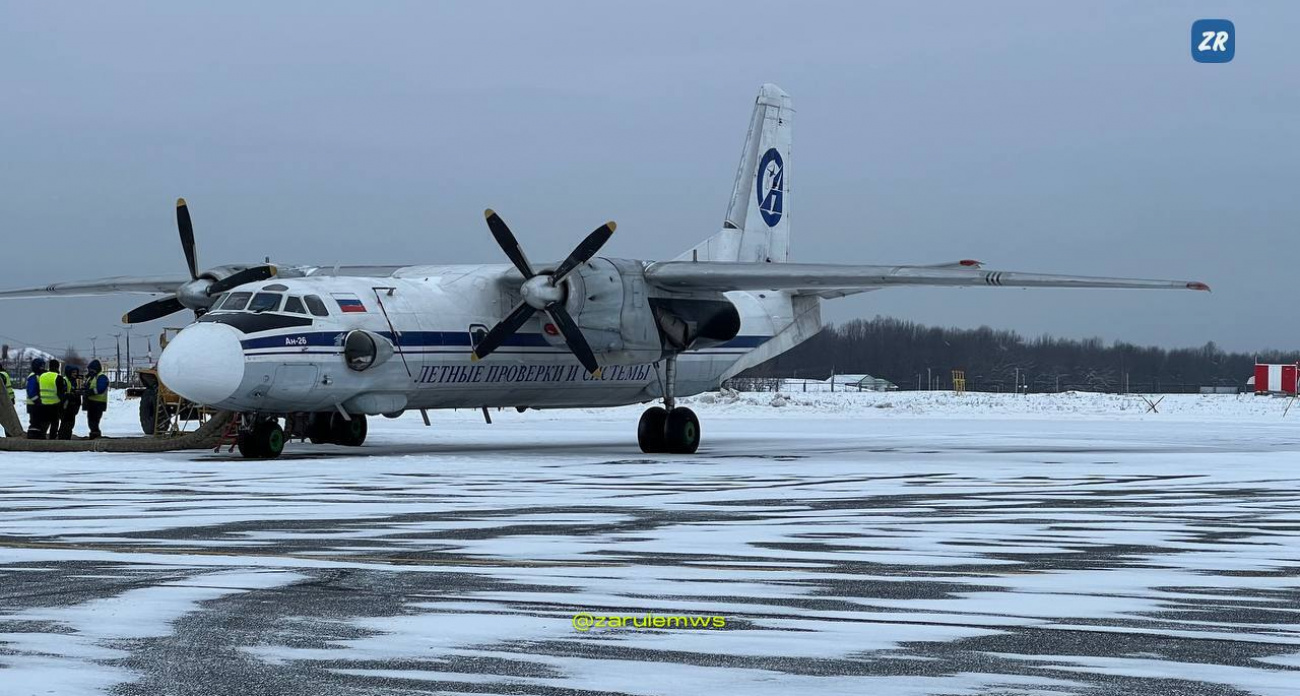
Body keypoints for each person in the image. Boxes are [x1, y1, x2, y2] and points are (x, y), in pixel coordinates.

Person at [40, 358, 68, 440]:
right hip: (55, 404)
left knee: (44, 423)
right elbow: (61, 393)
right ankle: (52, 439)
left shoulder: (42, 376)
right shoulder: (58, 377)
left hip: (43, 403)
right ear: (57, 367)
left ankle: (41, 438)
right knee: (54, 423)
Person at [83, 359, 109, 439]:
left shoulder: (101, 377)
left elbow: (100, 389)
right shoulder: (92, 377)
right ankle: (94, 434)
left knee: (94, 421)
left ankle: (95, 435)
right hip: (91, 402)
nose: (90, 371)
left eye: (91, 369)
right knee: (91, 420)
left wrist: (89, 392)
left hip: (98, 403)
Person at [58, 365, 83, 440]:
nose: (75, 374)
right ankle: (63, 438)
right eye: (73, 372)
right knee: (65, 424)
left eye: (76, 372)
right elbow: (62, 394)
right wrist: (72, 394)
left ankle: (66, 437)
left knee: (70, 424)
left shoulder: (74, 381)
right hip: (66, 407)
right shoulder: (65, 380)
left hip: (72, 407)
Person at [25, 358, 46, 439]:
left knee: (38, 422)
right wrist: (37, 401)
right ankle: (32, 437)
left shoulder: (39, 376)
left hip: (37, 403)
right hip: (33, 404)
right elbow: (31, 391)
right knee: (34, 422)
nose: (43, 368)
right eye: (41, 366)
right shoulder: (33, 376)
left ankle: (37, 436)